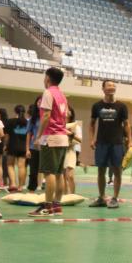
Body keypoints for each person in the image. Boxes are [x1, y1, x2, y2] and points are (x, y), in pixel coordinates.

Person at [29, 67, 70, 217]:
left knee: (49, 173)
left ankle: (47, 206)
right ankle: (57, 206)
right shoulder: (62, 95)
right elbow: (66, 116)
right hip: (62, 137)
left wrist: (38, 136)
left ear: (47, 78)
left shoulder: (48, 92)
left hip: (50, 138)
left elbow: (46, 116)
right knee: (59, 173)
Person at [89, 81, 131, 208]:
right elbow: (92, 124)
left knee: (117, 171)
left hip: (117, 143)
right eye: (109, 86)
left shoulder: (122, 106)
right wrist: (92, 139)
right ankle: (101, 198)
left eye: (113, 86)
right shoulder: (96, 106)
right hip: (101, 143)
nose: (112, 87)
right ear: (103, 89)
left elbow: (127, 125)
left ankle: (115, 198)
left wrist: (130, 141)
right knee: (101, 170)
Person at [4, 105, 29, 191]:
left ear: (15, 112)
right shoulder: (27, 122)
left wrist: (5, 145)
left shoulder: (10, 121)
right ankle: (21, 187)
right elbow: (29, 136)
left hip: (12, 146)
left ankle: (13, 184)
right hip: (23, 147)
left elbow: (7, 136)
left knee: (10, 165)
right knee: (21, 166)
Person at [64, 108, 81, 195]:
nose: (67, 112)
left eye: (68, 111)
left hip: (70, 151)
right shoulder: (58, 125)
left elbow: (79, 140)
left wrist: (70, 134)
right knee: (62, 176)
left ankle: (72, 194)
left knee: (70, 175)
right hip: (60, 151)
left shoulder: (76, 126)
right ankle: (64, 195)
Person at [26, 100, 41, 192]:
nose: (40, 104)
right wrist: (27, 149)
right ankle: (31, 189)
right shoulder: (33, 119)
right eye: (38, 102)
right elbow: (28, 134)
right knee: (33, 170)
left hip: (46, 147)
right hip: (34, 147)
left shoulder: (49, 117)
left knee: (47, 170)